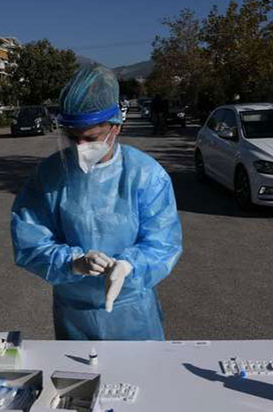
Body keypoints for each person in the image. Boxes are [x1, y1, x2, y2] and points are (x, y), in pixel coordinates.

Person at [10, 66, 183, 341]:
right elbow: (30, 242)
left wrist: (129, 266)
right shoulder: (50, 175)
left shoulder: (145, 174)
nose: (80, 148)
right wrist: (73, 262)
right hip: (74, 313)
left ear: (116, 126)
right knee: (81, 382)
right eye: (73, 137)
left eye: (90, 139)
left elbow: (163, 242)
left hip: (133, 311)